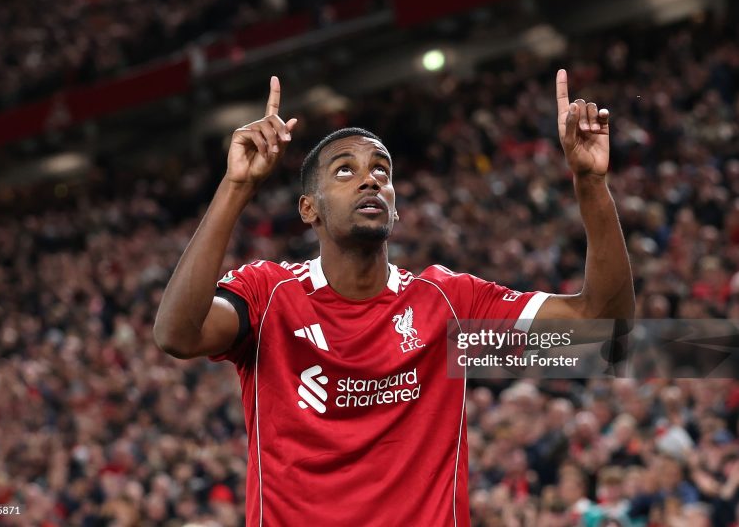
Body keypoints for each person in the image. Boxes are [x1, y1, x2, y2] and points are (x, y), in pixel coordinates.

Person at [153, 71, 634, 526]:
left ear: (396, 206)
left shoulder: (449, 310)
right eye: (345, 170)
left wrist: (591, 183)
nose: (370, 180)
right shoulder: (270, 295)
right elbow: (177, 334)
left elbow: (601, 333)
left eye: (381, 170)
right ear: (308, 210)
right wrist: (237, 187)